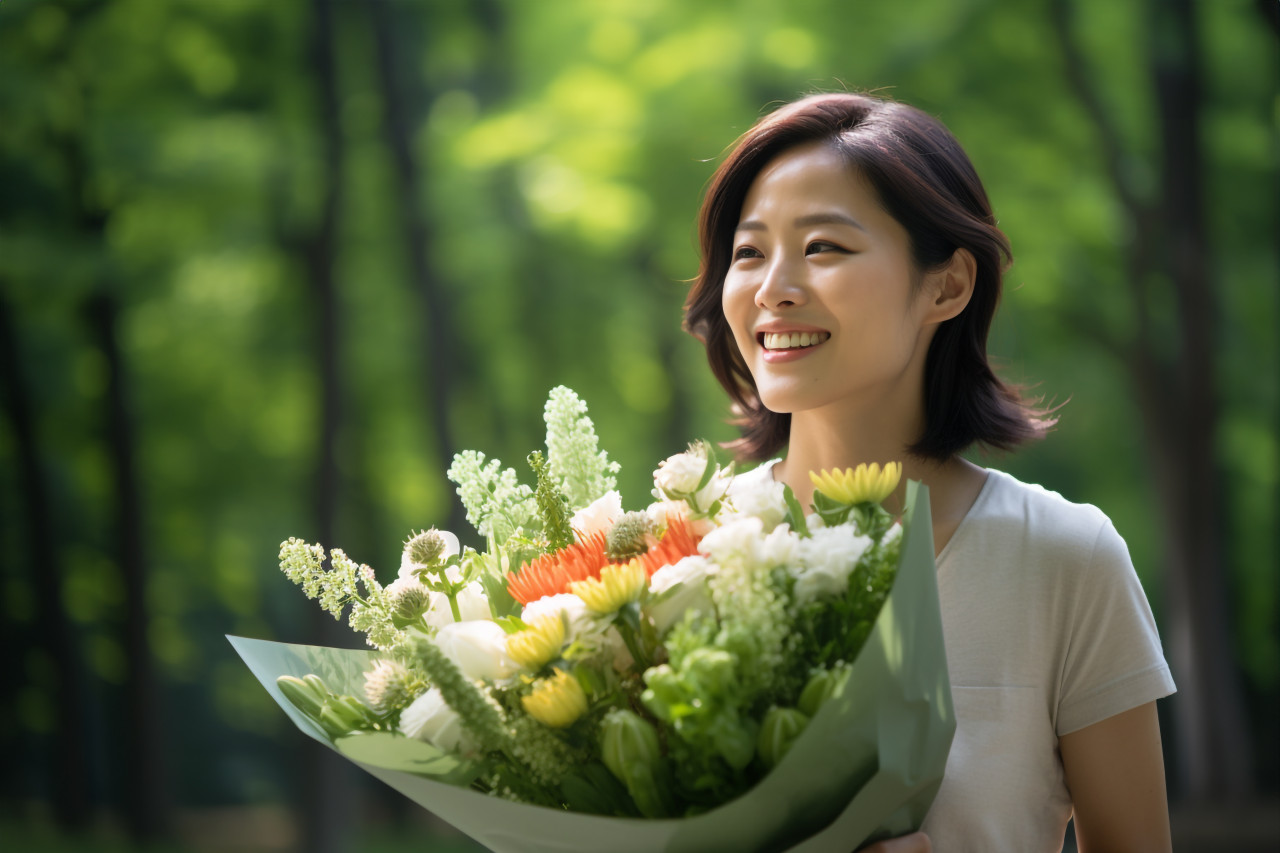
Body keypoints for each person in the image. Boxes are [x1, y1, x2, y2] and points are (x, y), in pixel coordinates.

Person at [683, 93, 1176, 852]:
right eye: (749, 252)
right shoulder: (682, 553)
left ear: (946, 285)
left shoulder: (1063, 558)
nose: (773, 286)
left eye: (823, 247)